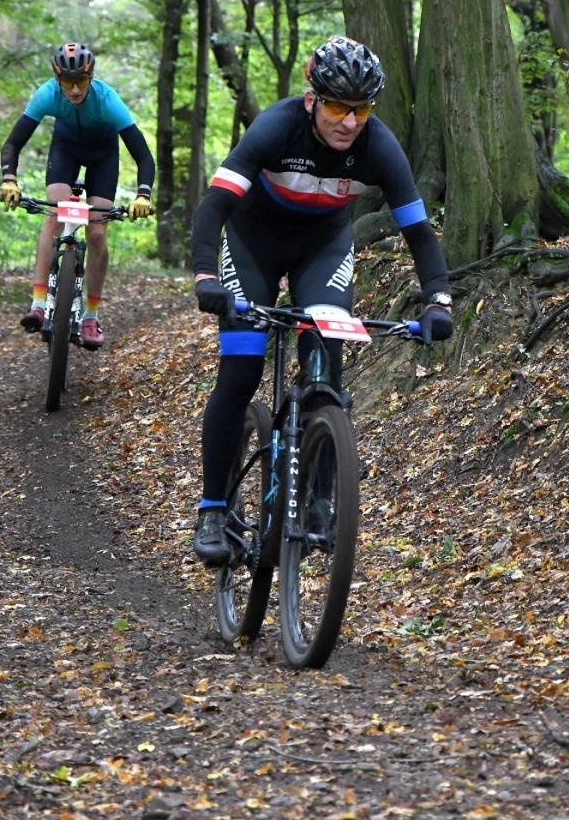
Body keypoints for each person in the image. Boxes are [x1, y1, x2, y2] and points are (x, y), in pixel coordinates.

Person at [189, 34, 454, 567]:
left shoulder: (379, 146)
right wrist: (204, 277)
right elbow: (213, 206)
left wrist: (438, 300)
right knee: (241, 372)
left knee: (326, 362)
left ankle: (322, 499)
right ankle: (213, 508)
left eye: (362, 110)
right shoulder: (275, 127)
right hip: (253, 246)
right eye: (337, 107)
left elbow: (419, 232)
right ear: (312, 100)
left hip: (323, 248)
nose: (349, 122)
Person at [0, 42, 155, 349]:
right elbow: (13, 143)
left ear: (90, 77)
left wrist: (143, 195)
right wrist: (9, 180)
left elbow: (144, 156)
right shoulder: (47, 94)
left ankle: (90, 316)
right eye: (67, 82)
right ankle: (39, 303)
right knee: (56, 214)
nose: (74, 90)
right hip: (65, 150)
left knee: (97, 232)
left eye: (81, 81)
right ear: (57, 79)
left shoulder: (107, 100)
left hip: (103, 156)